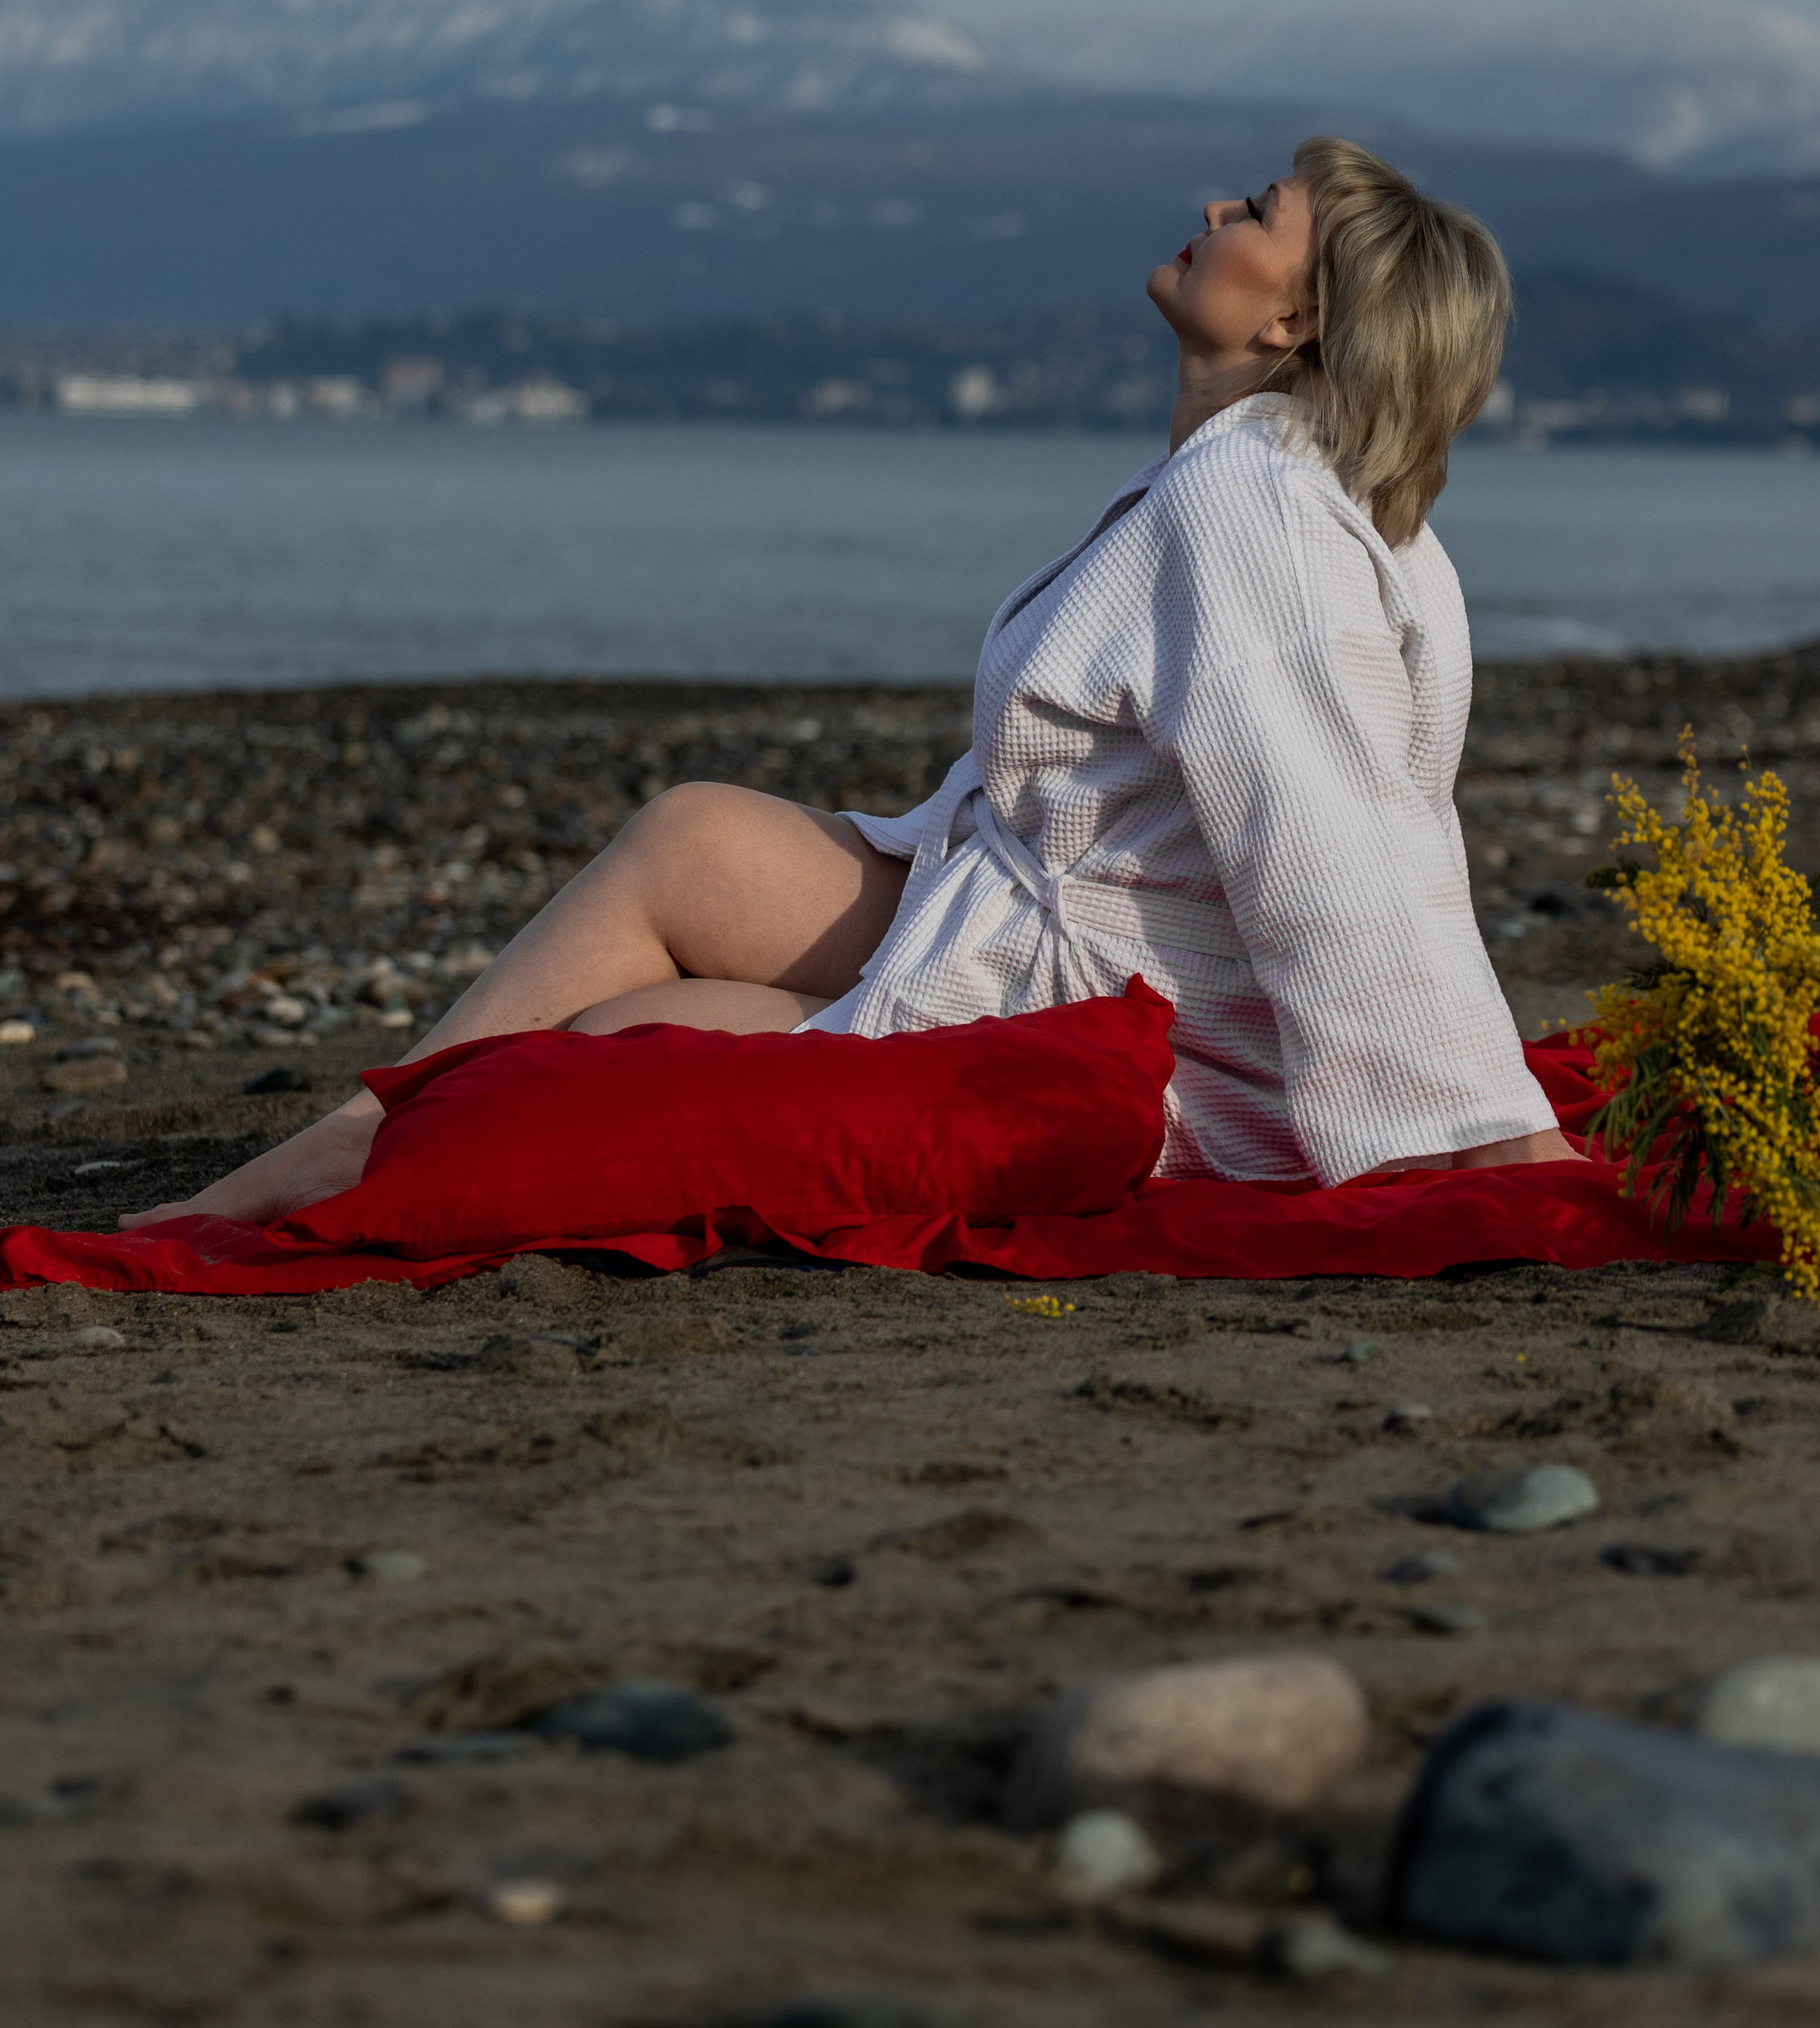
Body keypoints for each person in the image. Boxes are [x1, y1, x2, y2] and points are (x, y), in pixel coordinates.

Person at [127, 136, 1578, 1232]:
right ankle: (342, 1140)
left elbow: (1329, 834)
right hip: (1018, 917)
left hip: (1106, 1019)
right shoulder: (1256, 485)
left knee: (608, 1055)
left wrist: (1464, 1130)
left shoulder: (1255, 512)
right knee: (694, 835)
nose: (1218, 210)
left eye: (1260, 215)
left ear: (1294, 327)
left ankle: (361, 1152)